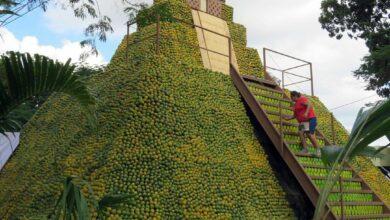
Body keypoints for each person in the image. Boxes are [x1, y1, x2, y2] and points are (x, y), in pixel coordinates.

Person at [284, 91, 321, 156]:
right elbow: (294, 116)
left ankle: (318, 150)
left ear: (295, 96)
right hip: (303, 122)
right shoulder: (295, 105)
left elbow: (309, 104)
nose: (291, 99)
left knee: (310, 135)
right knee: (300, 132)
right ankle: (305, 149)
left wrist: (306, 113)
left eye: (292, 97)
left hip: (310, 119)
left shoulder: (302, 99)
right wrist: (287, 118)